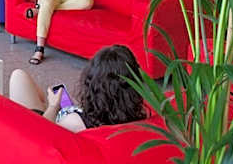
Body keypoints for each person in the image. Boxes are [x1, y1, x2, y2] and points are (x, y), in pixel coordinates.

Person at [8, 44, 146, 131]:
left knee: (18, 76)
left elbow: (42, 134)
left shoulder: (75, 122)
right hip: (73, 116)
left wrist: (53, 107)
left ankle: (48, 104)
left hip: (45, 123)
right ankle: (48, 103)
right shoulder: (141, 117)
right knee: (37, 91)